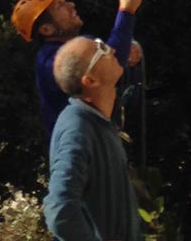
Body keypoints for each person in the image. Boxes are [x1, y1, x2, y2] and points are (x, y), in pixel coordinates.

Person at [11, 0, 144, 140]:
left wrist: (128, 46)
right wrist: (126, 11)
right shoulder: (49, 62)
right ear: (46, 29)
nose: (71, 5)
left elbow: (112, 57)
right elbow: (107, 64)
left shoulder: (83, 43)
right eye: (60, 6)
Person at [43, 36, 141, 241]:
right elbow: (59, 209)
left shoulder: (98, 122)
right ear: (90, 80)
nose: (112, 51)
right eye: (101, 49)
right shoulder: (77, 128)